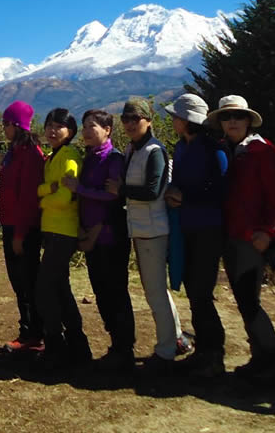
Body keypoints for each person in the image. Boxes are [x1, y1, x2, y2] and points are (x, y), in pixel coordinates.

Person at [207, 95, 275, 386]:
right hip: (229, 235)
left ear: (248, 121)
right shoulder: (224, 151)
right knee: (245, 300)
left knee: (249, 301)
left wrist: (267, 231)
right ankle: (261, 359)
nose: (232, 121)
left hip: (251, 238)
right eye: (227, 117)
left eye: (238, 116)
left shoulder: (260, 151)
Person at [113, 97, 185, 374]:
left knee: (154, 292)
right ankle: (175, 339)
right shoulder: (134, 149)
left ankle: (166, 351)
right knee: (157, 290)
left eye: (136, 118)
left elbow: (153, 190)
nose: (130, 123)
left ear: (148, 120)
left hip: (153, 230)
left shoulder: (154, 151)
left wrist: (120, 191)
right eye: (126, 118)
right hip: (142, 229)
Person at [63, 109, 135, 372]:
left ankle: (124, 348)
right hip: (91, 235)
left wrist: (78, 189)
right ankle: (116, 344)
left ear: (108, 130)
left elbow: (111, 197)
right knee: (102, 292)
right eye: (84, 127)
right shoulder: (89, 157)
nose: (86, 131)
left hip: (109, 234)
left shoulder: (113, 158)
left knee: (115, 291)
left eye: (92, 126)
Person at [163, 94, 229, 381]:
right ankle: (204, 352)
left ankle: (214, 355)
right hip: (188, 227)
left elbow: (221, 191)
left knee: (202, 292)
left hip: (209, 229)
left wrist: (185, 196)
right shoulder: (181, 148)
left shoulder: (213, 150)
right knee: (194, 291)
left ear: (187, 120)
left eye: (175, 116)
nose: (172, 120)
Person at [34, 108, 90, 369]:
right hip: (54, 230)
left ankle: (56, 344)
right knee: (60, 288)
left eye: (59, 126)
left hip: (63, 231)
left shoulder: (69, 156)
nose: (53, 131)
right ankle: (77, 345)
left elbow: (65, 196)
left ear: (71, 131)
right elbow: (49, 190)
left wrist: (43, 199)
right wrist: (46, 190)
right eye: (49, 125)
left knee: (46, 289)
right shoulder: (52, 157)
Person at [0, 101, 46, 353]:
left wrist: (19, 234)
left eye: (6, 124)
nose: (3, 128)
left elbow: (28, 198)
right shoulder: (14, 151)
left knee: (26, 281)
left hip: (22, 228)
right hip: (10, 224)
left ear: (17, 125)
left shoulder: (30, 154)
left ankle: (33, 333)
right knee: (19, 282)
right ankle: (29, 330)